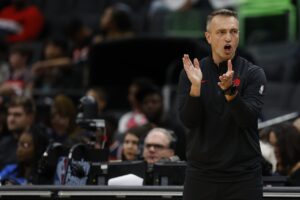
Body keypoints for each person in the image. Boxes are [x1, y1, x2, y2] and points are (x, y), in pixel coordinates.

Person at [177, 9, 267, 200]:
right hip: (201, 176)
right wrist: (195, 88)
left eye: (233, 32)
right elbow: (188, 121)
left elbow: (248, 119)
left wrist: (230, 92)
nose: (228, 38)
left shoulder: (253, 73)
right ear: (208, 37)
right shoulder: (192, 73)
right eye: (221, 32)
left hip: (243, 178)